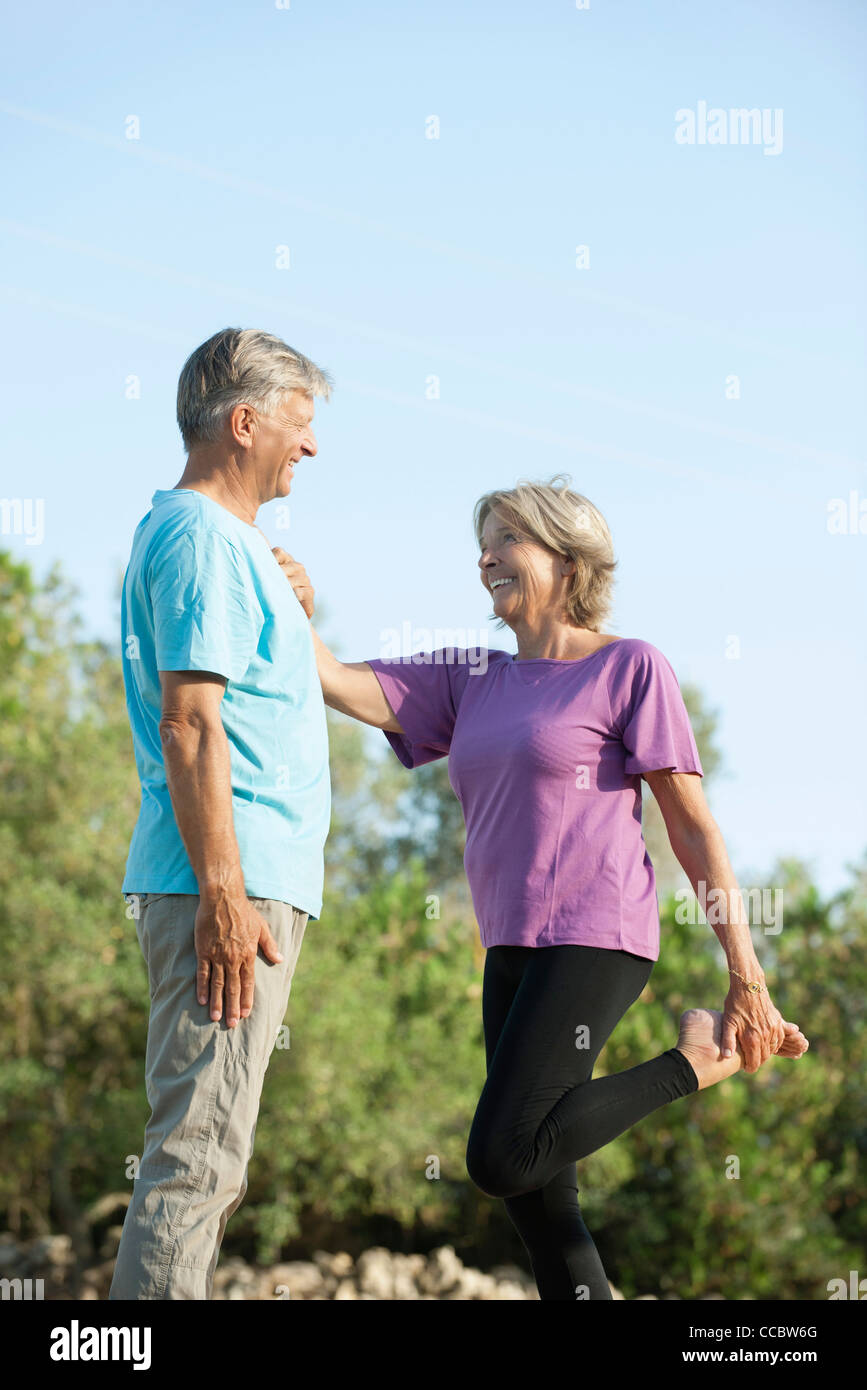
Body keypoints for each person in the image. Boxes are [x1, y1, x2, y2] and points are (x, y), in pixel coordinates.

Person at [290, 475, 809, 1302]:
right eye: (483, 542)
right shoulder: (470, 678)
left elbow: (690, 826)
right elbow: (334, 680)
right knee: (540, 1199)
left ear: (567, 562)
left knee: (501, 1156)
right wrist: (294, 607)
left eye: (506, 540)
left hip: (595, 937)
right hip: (510, 943)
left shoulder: (627, 667)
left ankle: (695, 1061)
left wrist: (745, 973)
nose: (486, 557)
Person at [110, 327, 332, 1299]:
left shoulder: (217, 542)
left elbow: (241, 695)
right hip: (225, 884)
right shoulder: (201, 537)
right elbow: (192, 724)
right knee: (197, 1159)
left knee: (207, 1155)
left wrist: (290, 603)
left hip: (230, 878)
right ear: (243, 422)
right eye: (299, 423)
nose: (311, 448)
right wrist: (226, 894)